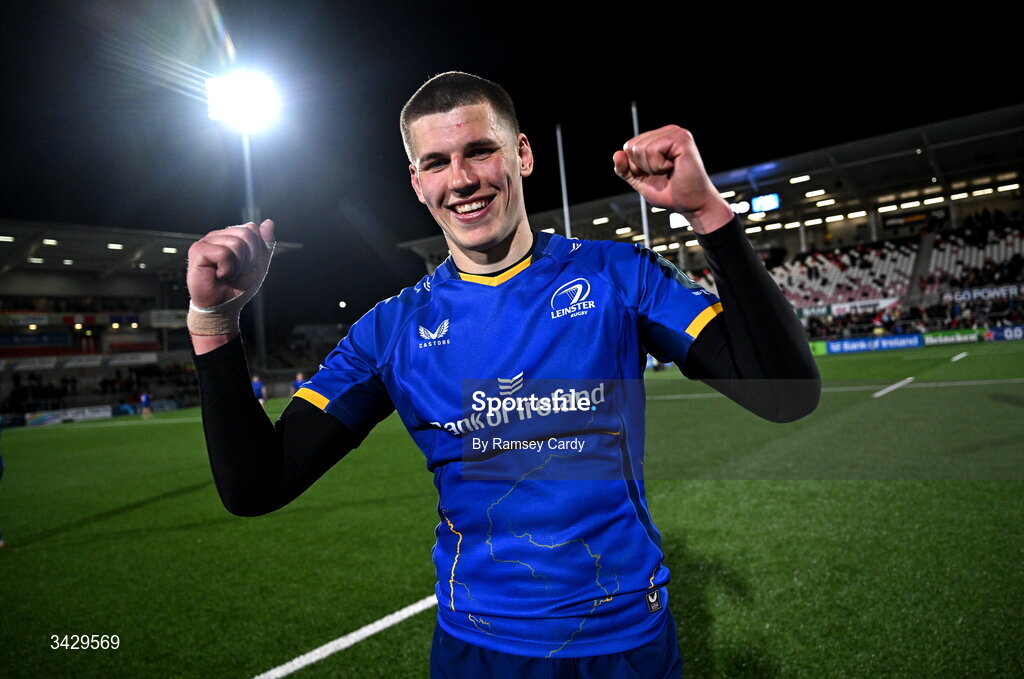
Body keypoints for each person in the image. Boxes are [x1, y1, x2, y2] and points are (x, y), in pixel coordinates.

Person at [187, 72, 820, 678]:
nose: (460, 179)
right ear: (416, 182)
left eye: (480, 151)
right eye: (436, 163)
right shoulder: (390, 332)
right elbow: (256, 487)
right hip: (480, 652)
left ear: (521, 155)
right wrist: (215, 325)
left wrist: (708, 214)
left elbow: (785, 396)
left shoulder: (618, 277)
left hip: (626, 642)